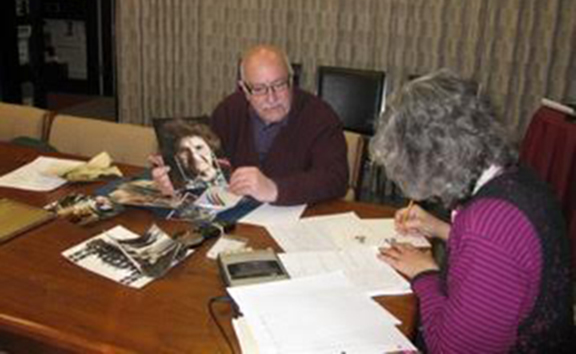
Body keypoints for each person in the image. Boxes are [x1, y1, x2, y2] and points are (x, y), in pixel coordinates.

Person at [371, 69, 573, 352]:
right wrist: (441, 229)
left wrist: (424, 273)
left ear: (436, 160)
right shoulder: (512, 175)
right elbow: (509, 261)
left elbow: (452, 349)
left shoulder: (488, 229)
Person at [153, 44, 348, 205]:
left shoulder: (320, 116)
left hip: (298, 222)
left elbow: (336, 179)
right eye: (259, 89)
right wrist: (177, 179)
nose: (271, 98)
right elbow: (213, 170)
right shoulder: (229, 111)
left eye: (279, 85)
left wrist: (274, 189)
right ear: (244, 89)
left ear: (291, 81)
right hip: (238, 220)